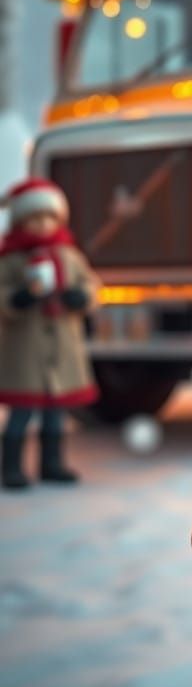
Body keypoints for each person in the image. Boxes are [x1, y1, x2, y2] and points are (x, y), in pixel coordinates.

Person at [0, 178, 100, 490]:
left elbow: (90, 283)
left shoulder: (68, 255)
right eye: (34, 218)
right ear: (20, 221)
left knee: (56, 414)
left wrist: (81, 297)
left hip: (61, 348)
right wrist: (17, 299)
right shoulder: (11, 260)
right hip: (26, 349)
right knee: (22, 412)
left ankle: (52, 463)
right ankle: (11, 467)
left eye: (49, 218)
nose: (43, 225)